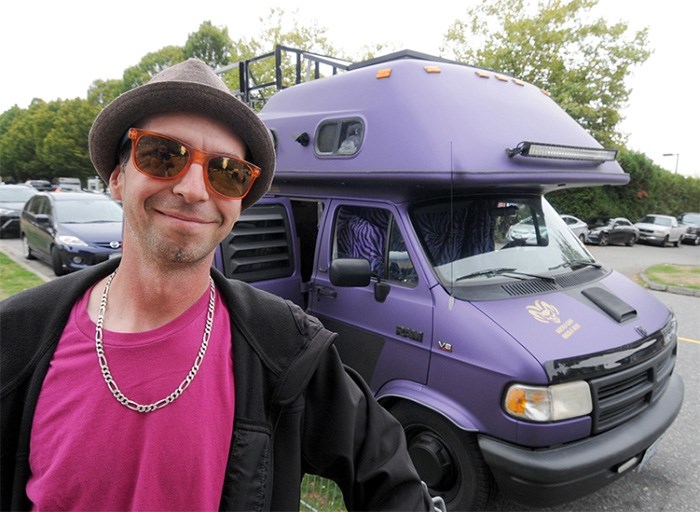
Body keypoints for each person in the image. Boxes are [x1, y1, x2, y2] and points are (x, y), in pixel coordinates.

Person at [0, 59, 436, 511]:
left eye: (226, 172)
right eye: (163, 155)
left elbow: (394, 485)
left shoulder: (285, 347)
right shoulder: (18, 338)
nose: (193, 189)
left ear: (239, 202)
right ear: (116, 177)